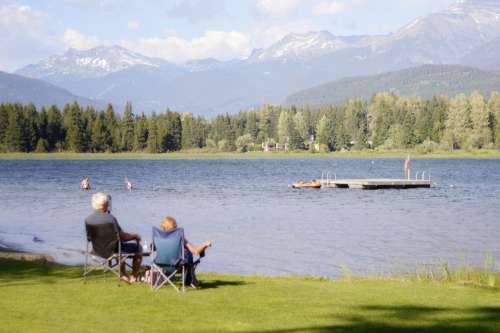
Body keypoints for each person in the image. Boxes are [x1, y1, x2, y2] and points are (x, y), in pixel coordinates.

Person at [85, 192, 142, 283]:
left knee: (117, 247)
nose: (108, 204)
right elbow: (122, 237)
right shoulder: (110, 219)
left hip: (97, 250)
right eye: (107, 202)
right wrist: (135, 236)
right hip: (113, 250)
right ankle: (134, 276)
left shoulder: (88, 219)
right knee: (138, 248)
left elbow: (89, 238)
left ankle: (123, 274)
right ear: (105, 204)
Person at [160, 216, 212, 287]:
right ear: (174, 227)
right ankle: (192, 281)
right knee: (188, 254)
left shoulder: (160, 238)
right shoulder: (180, 238)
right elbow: (195, 251)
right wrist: (205, 245)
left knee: (186, 254)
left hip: (162, 264)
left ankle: (192, 280)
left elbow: (152, 249)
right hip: (177, 266)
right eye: (176, 226)